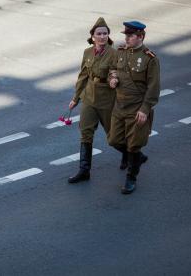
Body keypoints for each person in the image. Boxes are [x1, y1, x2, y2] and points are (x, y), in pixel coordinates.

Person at [107, 21, 160, 194]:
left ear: (141, 37)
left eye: (130, 36)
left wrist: (145, 109)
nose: (127, 38)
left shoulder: (149, 58)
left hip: (137, 107)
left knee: (133, 145)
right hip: (119, 105)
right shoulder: (121, 52)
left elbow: (153, 87)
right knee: (113, 140)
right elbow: (113, 68)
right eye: (126, 36)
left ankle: (131, 178)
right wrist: (112, 78)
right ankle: (137, 158)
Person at [68, 17, 118, 183]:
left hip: (106, 98)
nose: (102, 36)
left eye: (105, 33)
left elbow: (114, 72)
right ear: (93, 36)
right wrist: (76, 98)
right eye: (99, 33)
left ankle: (132, 156)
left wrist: (113, 80)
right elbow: (83, 76)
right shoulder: (87, 52)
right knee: (85, 133)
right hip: (89, 97)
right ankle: (84, 170)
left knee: (114, 136)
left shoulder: (113, 53)